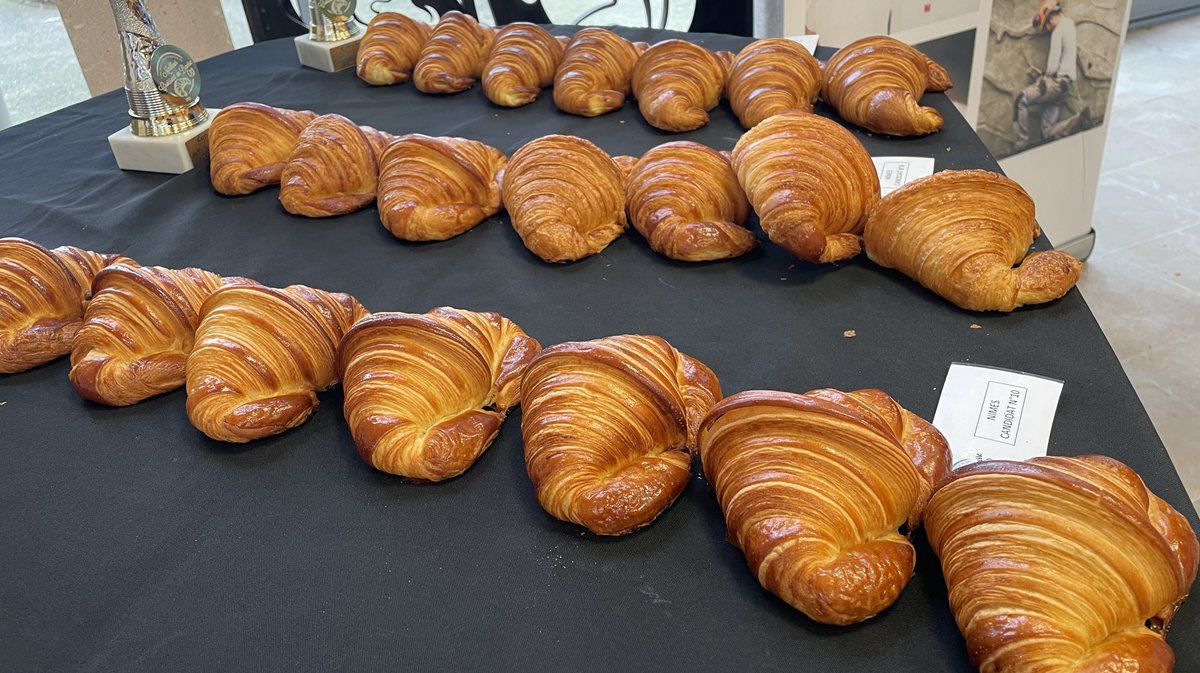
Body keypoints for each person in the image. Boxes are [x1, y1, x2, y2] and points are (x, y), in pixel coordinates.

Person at [1012, 1, 1090, 152]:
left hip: (1056, 83)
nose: (1047, 29)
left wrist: (1043, 77)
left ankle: (1020, 145)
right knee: (1046, 134)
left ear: (1052, 17)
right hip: (1065, 86)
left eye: (1047, 24)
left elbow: (1053, 65)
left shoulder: (1058, 31)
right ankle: (1078, 121)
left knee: (1021, 99)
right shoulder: (1070, 25)